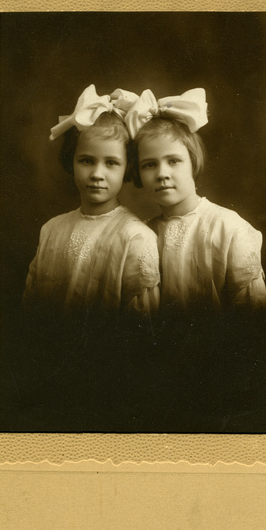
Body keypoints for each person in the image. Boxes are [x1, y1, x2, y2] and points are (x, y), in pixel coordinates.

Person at [125, 87, 266, 432]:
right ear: (139, 175)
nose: (162, 173)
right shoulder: (141, 235)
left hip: (223, 381)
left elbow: (252, 320)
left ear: (193, 164)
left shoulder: (227, 228)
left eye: (174, 161)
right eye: (150, 164)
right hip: (161, 381)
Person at [17, 84, 161, 432]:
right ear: (72, 161)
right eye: (87, 160)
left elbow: (140, 334)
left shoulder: (135, 236)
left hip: (108, 387)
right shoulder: (51, 229)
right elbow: (32, 310)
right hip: (47, 380)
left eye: (111, 163)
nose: (97, 173)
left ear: (127, 168)